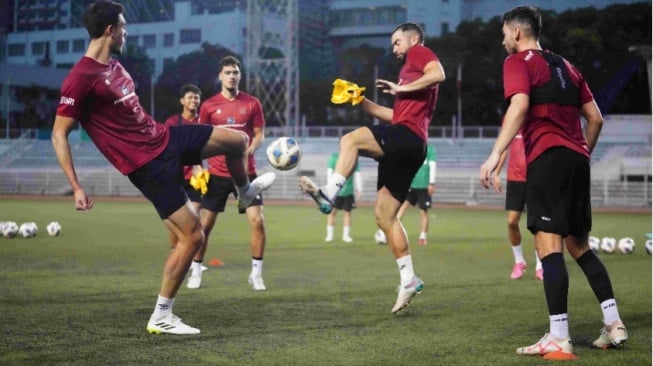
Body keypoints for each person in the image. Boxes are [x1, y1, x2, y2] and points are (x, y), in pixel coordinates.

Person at [51, 1, 275, 335]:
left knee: (237, 141)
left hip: (165, 138)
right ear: (110, 30)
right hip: (146, 165)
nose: (127, 31)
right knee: (193, 235)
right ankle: (161, 315)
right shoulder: (80, 79)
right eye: (123, 25)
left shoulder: (117, 67)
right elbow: (59, 134)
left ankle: (245, 193)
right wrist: (77, 186)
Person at [479, 6, 627, 359]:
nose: (503, 40)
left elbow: (518, 106)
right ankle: (614, 323)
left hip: (547, 158)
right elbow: (595, 118)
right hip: (577, 159)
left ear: (516, 32)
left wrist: (496, 153)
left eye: (503, 33)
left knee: (549, 246)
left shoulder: (516, 62)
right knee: (580, 246)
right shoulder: (568, 66)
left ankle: (559, 336)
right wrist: (581, 153)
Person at [299, 22, 445, 314]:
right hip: (411, 142)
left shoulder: (419, 52)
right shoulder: (410, 73)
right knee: (384, 216)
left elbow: (438, 73)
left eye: (396, 42)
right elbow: (395, 115)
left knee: (350, 140)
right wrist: (361, 101)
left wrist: (399, 87)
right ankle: (408, 278)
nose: (394, 48)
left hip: (409, 138)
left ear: (413, 38)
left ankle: (330, 193)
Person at [197, 55, 269, 291]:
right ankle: (196, 270)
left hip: (246, 174)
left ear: (240, 75)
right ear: (220, 76)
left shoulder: (252, 103)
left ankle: (256, 274)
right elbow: (200, 138)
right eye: (227, 72)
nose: (232, 76)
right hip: (217, 174)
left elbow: (259, 133)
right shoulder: (208, 106)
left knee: (257, 221)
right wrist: (199, 165)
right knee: (204, 226)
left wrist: (252, 148)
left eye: (235, 72)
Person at [492, 127, 543, 280]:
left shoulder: (537, 121)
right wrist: (496, 173)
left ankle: (540, 266)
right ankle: (519, 261)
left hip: (535, 179)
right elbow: (504, 148)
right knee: (512, 221)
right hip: (515, 179)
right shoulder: (512, 121)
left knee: (537, 226)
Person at [375, 144, 436, 246]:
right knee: (401, 207)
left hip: (423, 185)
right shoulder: (412, 149)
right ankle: (388, 231)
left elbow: (433, 165)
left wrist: (432, 182)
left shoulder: (430, 150)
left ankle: (422, 236)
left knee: (423, 211)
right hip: (411, 184)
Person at [324, 152, 362, 243]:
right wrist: (330, 188)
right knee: (332, 212)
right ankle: (330, 236)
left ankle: (346, 236)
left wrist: (359, 189)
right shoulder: (334, 157)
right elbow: (329, 172)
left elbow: (357, 174)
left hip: (349, 191)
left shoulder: (353, 157)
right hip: (336, 191)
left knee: (347, 213)